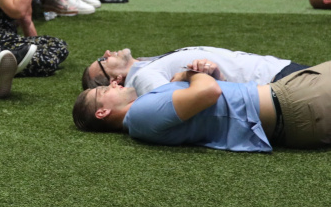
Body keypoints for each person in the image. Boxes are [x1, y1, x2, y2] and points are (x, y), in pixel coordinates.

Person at [73, 63, 331, 151]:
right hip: (295, 104)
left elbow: (216, 103)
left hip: (293, 106)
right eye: (105, 90)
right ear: (102, 112)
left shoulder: (142, 114)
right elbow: (209, 92)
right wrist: (189, 74)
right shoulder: (140, 114)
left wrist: (209, 76)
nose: (114, 84)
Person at [80, 45, 307, 93]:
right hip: (273, 81)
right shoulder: (143, 79)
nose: (107, 52)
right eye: (103, 60)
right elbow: (169, 102)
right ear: (115, 80)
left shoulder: (144, 69)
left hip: (272, 70)